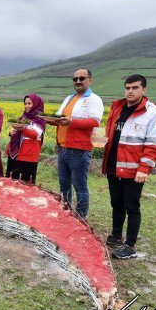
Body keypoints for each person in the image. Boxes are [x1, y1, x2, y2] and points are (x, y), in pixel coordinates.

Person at [102, 74, 156, 259]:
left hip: (134, 169)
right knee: (116, 202)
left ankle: (130, 246)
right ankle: (116, 235)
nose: (130, 91)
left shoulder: (153, 113)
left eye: (135, 88)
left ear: (143, 90)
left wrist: (144, 168)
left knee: (132, 205)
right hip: (114, 164)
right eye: (127, 88)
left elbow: (154, 145)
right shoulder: (118, 108)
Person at [46, 68, 104, 219]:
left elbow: (95, 121)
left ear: (90, 80)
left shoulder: (94, 99)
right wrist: (51, 120)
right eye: (75, 79)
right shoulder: (69, 98)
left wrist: (71, 121)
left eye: (82, 78)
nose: (78, 81)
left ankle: (80, 217)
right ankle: (65, 212)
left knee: (79, 186)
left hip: (79, 150)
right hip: (63, 148)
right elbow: (60, 118)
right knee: (64, 184)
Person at [5, 94, 46, 184]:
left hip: (28, 156)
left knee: (26, 184)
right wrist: (11, 132)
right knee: (12, 182)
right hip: (15, 155)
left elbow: (36, 135)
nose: (26, 106)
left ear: (36, 104)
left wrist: (23, 129)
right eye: (25, 103)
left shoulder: (40, 120)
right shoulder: (22, 118)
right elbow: (16, 132)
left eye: (29, 103)